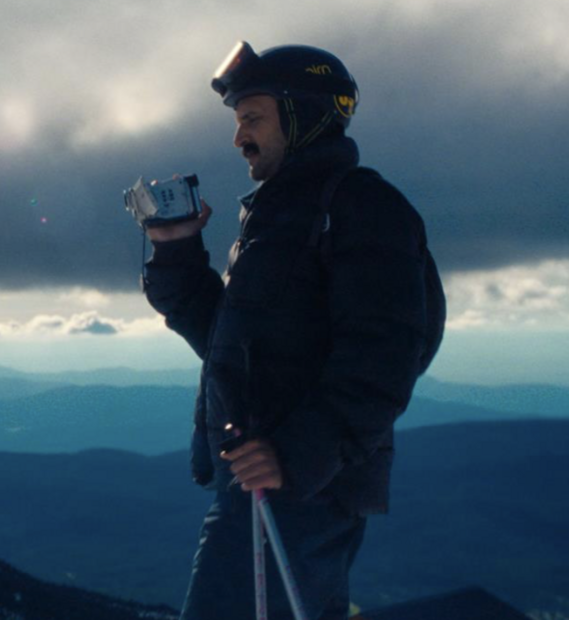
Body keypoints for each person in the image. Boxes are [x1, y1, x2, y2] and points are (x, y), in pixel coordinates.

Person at [143, 41, 440, 619]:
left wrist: (296, 454)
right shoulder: (275, 219)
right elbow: (228, 344)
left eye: (251, 117)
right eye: (237, 121)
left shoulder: (361, 207)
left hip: (302, 488)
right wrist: (176, 252)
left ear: (304, 115)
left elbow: (385, 354)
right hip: (259, 481)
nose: (238, 137)